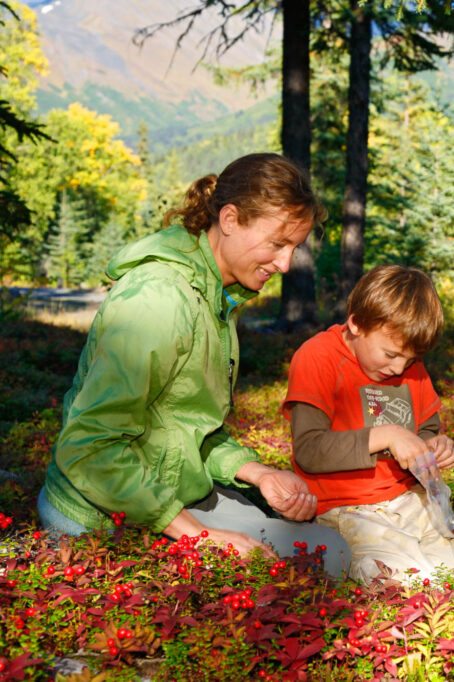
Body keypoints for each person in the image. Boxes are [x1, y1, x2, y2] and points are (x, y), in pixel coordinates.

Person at [38, 153, 350, 577]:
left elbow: (186, 426)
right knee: (300, 569)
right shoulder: (159, 298)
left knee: (328, 552)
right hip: (100, 514)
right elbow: (89, 447)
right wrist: (202, 537)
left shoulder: (218, 295)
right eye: (277, 244)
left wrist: (258, 473)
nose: (285, 264)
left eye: (294, 248)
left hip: (168, 494)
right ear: (230, 219)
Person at [283, 264, 454, 584]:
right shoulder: (318, 357)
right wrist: (388, 435)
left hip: (412, 502)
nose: (400, 368)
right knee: (405, 582)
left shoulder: (410, 365)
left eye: (410, 359)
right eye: (390, 355)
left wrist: (435, 446)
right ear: (356, 324)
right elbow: (310, 450)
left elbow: (427, 429)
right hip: (347, 510)